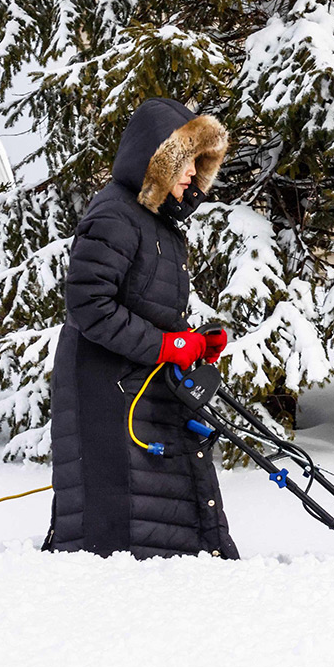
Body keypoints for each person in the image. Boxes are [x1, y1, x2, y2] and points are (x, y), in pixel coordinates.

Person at [44, 97, 239, 559]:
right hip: (105, 393)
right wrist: (167, 345)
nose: (192, 174)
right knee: (116, 535)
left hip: (139, 384)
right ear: (158, 161)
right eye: (185, 161)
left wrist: (193, 341)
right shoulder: (114, 213)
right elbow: (89, 305)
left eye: (197, 163)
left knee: (167, 517)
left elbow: (146, 306)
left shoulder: (160, 227)